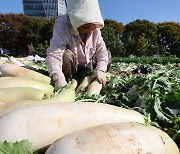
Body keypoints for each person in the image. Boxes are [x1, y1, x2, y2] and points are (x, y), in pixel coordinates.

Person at [46, 0, 111, 91]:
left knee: (107, 54)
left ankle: (96, 77)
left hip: (90, 65)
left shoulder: (95, 28)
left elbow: (102, 51)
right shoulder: (63, 24)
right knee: (66, 55)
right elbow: (54, 55)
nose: (89, 30)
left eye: (91, 27)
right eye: (85, 27)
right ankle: (68, 80)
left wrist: (100, 70)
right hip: (72, 66)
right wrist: (58, 79)